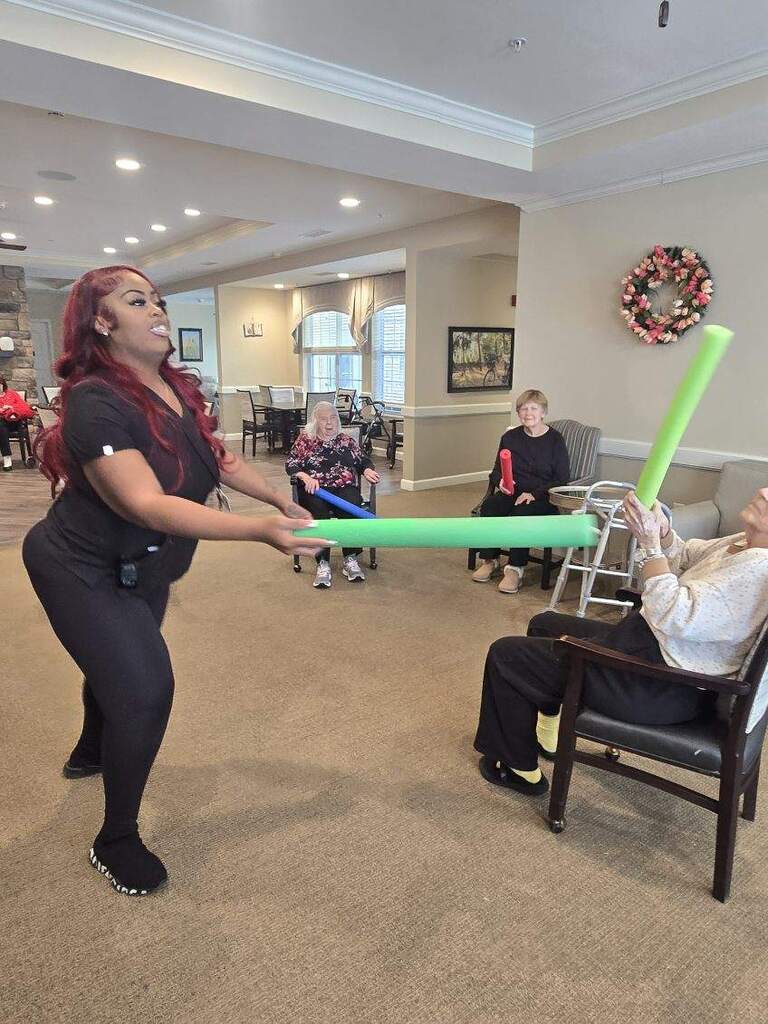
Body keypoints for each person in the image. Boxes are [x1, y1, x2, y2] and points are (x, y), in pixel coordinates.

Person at [22, 265, 333, 897]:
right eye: (137, 301)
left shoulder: (172, 387)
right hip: (80, 565)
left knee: (117, 665)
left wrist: (278, 498)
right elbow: (145, 503)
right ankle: (115, 838)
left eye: (158, 300)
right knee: (146, 689)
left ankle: (91, 747)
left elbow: (218, 457)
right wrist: (258, 531)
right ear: (102, 322)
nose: (157, 310)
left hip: (148, 563)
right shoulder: (95, 401)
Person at [473, 488, 768, 797]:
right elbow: (683, 556)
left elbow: (673, 613)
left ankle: (518, 770)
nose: (762, 491)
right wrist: (663, 534)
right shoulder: (742, 544)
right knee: (543, 624)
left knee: (506, 655)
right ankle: (550, 736)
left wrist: (650, 547)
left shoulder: (756, 570)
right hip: (651, 647)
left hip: (656, 685)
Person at [471, 389, 570, 594]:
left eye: (534, 408)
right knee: (490, 506)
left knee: (522, 513)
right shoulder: (510, 437)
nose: (528, 413)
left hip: (542, 496)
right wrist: (501, 482)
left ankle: (515, 569)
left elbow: (562, 479)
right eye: (523, 409)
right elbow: (496, 471)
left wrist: (534, 494)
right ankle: (490, 560)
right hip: (512, 492)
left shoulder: (555, 440)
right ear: (518, 413)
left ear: (543, 412)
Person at [286, 401, 380, 588]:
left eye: (333, 418)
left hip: (343, 487)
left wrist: (367, 469)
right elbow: (291, 463)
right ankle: (322, 561)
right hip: (316, 490)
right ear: (315, 421)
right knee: (318, 510)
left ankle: (350, 557)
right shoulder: (306, 440)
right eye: (323, 419)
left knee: (351, 505)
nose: (329, 423)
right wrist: (305, 476)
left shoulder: (345, 440)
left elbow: (362, 460)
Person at [0, 374, 35, 471]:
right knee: (1, 426)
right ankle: (7, 458)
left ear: (3, 384)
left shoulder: (12, 394)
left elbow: (25, 408)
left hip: (16, 422)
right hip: (2, 423)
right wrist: (2, 410)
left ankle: (7, 459)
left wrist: (11, 408)